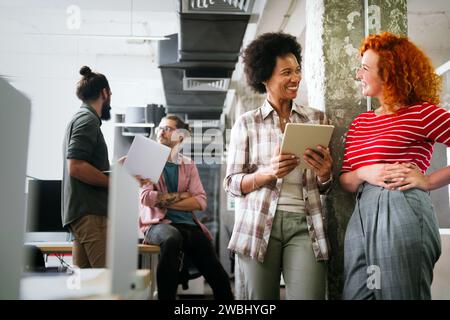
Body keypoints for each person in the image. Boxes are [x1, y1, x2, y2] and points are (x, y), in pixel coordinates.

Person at [340, 32, 450, 300]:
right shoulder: (361, 122)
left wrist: (428, 181)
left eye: (365, 68)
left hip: (401, 208)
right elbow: (345, 180)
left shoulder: (422, 113)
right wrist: (365, 172)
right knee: (359, 294)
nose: (359, 75)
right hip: (363, 214)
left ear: (389, 72)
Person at [224, 32, 333, 300]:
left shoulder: (317, 119)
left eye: (297, 70)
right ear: (265, 77)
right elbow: (232, 184)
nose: (295, 78)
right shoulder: (247, 123)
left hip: (306, 225)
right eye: (286, 72)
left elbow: (325, 186)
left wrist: (325, 173)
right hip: (258, 225)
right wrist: (267, 173)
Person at [139, 115, 234, 300]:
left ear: (180, 137)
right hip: (158, 225)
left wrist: (164, 199)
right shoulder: (148, 161)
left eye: (168, 128)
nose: (162, 131)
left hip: (188, 225)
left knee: (220, 278)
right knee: (172, 238)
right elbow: (147, 198)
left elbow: (200, 201)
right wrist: (183, 195)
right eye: (160, 127)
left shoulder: (188, 165)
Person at [62, 66, 112, 268]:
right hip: (90, 214)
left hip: (82, 213)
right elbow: (76, 166)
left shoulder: (81, 118)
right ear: (104, 93)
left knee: (86, 286)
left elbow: (81, 163)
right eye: (110, 94)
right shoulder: (87, 119)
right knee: (106, 282)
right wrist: (113, 184)